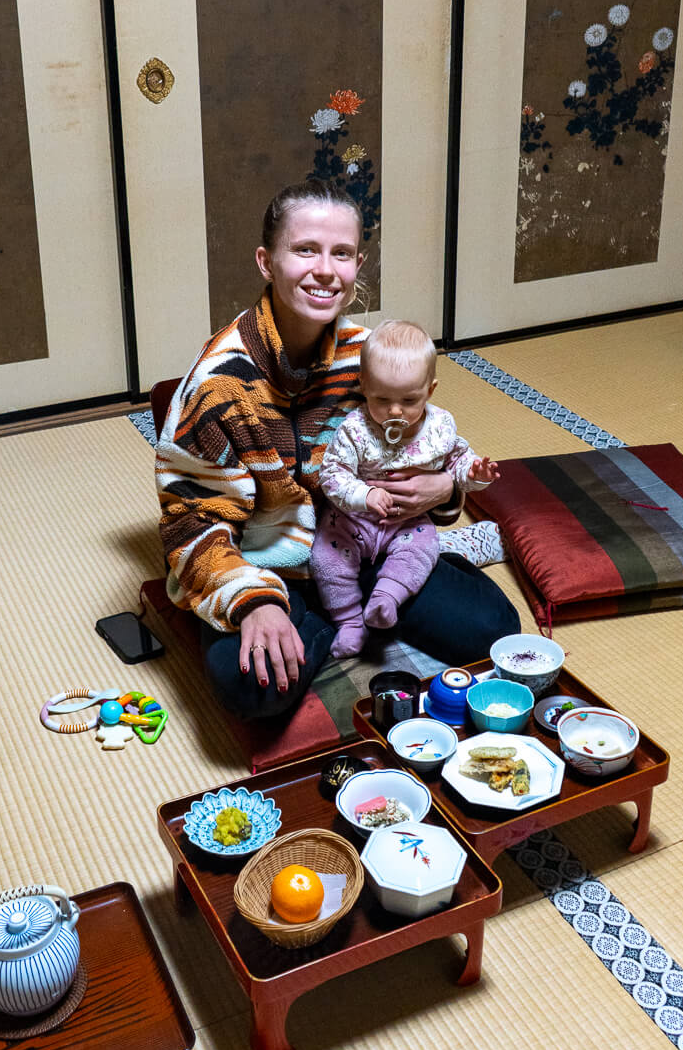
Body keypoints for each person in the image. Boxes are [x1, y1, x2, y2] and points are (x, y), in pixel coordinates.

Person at [155, 180, 518, 719]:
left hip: (362, 541)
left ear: (356, 264)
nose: (325, 270)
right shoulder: (219, 385)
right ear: (266, 261)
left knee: (497, 631)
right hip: (265, 561)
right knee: (249, 688)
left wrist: (447, 487)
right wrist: (254, 602)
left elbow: (426, 446)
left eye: (341, 253)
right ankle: (325, 612)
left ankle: (358, 601)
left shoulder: (366, 354)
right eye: (305, 250)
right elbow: (190, 522)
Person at [311, 319, 500, 656]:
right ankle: (350, 621)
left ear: (430, 390)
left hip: (407, 524)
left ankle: (387, 599)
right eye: (382, 399)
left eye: (409, 400)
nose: (395, 411)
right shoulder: (356, 429)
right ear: (364, 385)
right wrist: (364, 495)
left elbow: (458, 464)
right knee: (326, 559)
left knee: (422, 549)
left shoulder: (439, 427)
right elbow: (332, 474)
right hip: (352, 522)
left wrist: (474, 473)